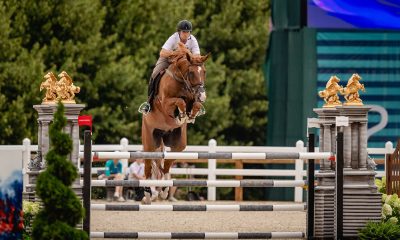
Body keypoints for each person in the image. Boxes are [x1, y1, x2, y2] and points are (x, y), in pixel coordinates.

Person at [139, 19, 201, 114]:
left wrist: (188, 53)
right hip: (168, 59)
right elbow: (162, 52)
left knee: (197, 72)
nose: (186, 34)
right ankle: (149, 102)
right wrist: (175, 53)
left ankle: (196, 101)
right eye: (184, 32)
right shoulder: (173, 38)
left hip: (184, 61)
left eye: (188, 32)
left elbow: (197, 56)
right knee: (155, 72)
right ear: (179, 32)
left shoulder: (192, 40)